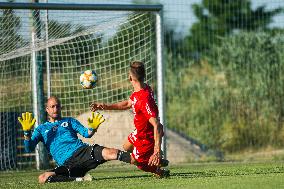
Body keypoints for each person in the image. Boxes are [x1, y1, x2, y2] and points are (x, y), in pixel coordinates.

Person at [18, 96, 132, 184]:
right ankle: (78, 179)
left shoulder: (69, 121)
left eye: (57, 106)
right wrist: (27, 133)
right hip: (68, 163)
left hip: (82, 151)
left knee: (112, 153)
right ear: (47, 109)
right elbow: (29, 148)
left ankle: (142, 161)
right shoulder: (41, 129)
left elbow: (87, 134)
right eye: (52, 107)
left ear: (60, 107)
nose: (55, 109)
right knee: (42, 178)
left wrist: (93, 128)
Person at [90, 61, 169, 178]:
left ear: (130, 77)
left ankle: (159, 170)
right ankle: (152, 156)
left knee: (137, 162)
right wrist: (105, 106)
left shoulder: (143, 99)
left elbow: (156, 124)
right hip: (140, 132)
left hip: (146, 137)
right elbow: (127, 104)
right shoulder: (143, 89)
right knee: (127, 146)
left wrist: (157, 149)